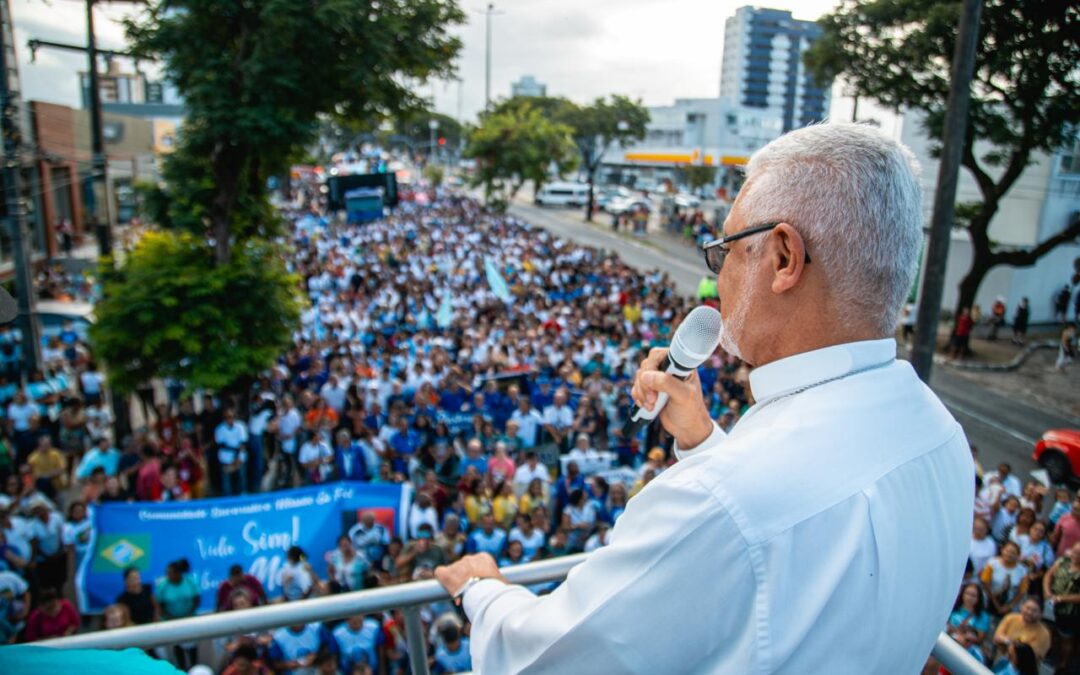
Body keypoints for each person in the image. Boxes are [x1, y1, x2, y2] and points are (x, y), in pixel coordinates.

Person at [434, 123, 973, 672]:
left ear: (784, 257)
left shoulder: (718, 500)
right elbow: (796, 585)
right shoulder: (942, 435)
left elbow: (546, 657)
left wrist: (481, 591)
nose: (715, 276)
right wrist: (701, 440)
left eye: (727, 251)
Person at [155, 560, 201, 668]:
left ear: (178, 573)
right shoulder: (163, 585)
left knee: (192, 646)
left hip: (190, 619)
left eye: (170, 572)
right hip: (171, 621)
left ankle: (194, 668)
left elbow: (197, 599)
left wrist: (188, 615)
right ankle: (182, 669)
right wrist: (171, 618)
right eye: (167, 572)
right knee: (178, 647)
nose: (168, 575)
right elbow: (160, 605)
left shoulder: (190, 581)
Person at [993, 596, 1051, 662]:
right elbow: (997, 637)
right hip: (1001, 660)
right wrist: (1010, 642)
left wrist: (1009, 643)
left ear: (1041, 614)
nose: (1029, 612)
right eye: (1027, 608)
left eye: (1034, 611)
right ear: (1021, 607)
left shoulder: (1044, 634)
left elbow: (1031, 655)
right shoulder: (1011, 618)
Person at [215, 408, 249, 496]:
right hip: (225, 459)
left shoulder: (241, 426)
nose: (230, 419)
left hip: (239, 459)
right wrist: (235, 450)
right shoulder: (220, 429)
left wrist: (237, 458)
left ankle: (242, 498)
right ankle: (227, 500)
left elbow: (243, 443)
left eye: (232, 417)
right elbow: (221, 445)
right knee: (226, 482)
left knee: (241, 478)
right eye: (227, 417)